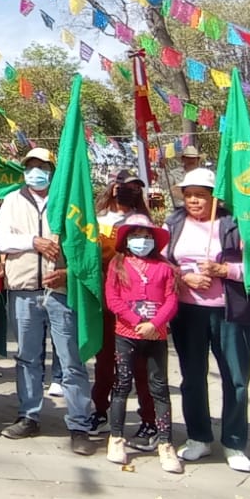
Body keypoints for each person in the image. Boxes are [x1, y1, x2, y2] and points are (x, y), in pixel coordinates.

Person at [0, 148, 93, 454]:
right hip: (23, 289)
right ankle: (29, 415)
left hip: (60, 290)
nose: (36, 172)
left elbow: (84, 244)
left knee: (71, 359)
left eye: (42, 167)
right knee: (27, 357)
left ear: (52, 170)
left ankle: (79, 423)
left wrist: (68, 273)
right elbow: (0, 240)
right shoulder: (11, 200)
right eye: (31, 167)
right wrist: (32, 243)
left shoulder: (68, 201)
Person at [164, 168, 250, 472]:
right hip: (188, 311)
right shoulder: (174, 222)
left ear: (214, 197)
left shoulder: (235, 224)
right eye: (189, 195)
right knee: (192, 376)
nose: (194, 201)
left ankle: (234, 442)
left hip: (230, 311)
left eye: (201, 195)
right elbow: (164, 264)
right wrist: (185, 277)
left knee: (236, 378)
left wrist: (225, 272)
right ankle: (198, 437)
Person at [101, 214, 182, 473]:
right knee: (122, 384)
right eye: (137, 236)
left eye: (147, 237)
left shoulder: (165, 267)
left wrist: (154, 324)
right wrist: (136, 320)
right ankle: (115, 437)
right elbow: (112, 298)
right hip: (126, 333)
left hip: (155, 336)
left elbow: (171, 300)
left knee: (159, 388)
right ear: (127, 239)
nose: (142, 241)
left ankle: (165, 442)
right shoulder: (118, 263)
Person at [90, 179, 159, 449]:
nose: (127, 191)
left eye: (133, 187)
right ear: (112, 188)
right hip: (107, 302)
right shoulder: (98, 221)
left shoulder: (145, 223)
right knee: (105, 361)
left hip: (140, 307)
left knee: (143, 367)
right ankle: (100, 412)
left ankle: (150, 420)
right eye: (122, 186)